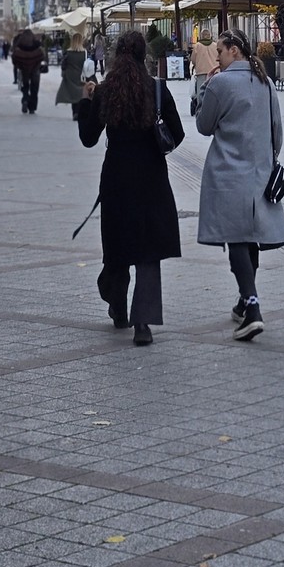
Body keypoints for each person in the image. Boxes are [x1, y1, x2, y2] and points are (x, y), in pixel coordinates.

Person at [77, 30, 184, 346]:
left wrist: (86, 100)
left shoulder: (106, 91)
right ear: (143, 56)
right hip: (151, 178)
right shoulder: (157, 91)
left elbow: (88, 138)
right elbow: (176, 135)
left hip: (116, 177)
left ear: (115, 57)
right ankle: (143, 325)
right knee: (148, 252)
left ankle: (118, 308)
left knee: (118, 245)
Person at [196, 30, 284, 342]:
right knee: (249, 237)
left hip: (228, 172)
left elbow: (204, 126)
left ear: (234, 51)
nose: (217, 56)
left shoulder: (219, 83)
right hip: (260, 171)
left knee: (236, 238)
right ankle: (243, 300)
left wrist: (205, 87)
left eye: (220, 50)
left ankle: (252, 307)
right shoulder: (266, 82)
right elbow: (277, 131)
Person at [11, 28, 45, 114]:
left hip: (24, 69)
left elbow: (14, 57)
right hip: (35, 69)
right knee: (34, 88)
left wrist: (19, 65)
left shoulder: (19, 45)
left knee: (25, 86)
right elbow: (42, 56)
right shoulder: (37, 44)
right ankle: (32, 107)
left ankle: (25, 99)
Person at [56, 33, 89, 121]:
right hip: (81, 75)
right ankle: (79, 112)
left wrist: (63, 73)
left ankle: (74, 112)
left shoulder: (68, 52)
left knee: (73, 94)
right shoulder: (84, 52)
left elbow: (64, 64)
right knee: (80, 94)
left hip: (70, 75)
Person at [189, 29, 220, 117]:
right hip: (214, 72)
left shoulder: (197, 46)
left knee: (201, 92)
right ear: (210, 36)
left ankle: (201, 109)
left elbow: (193, 60)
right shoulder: (215, 45)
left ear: (201, 36)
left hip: (201, 72)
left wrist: (196, 64)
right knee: (214, 90)